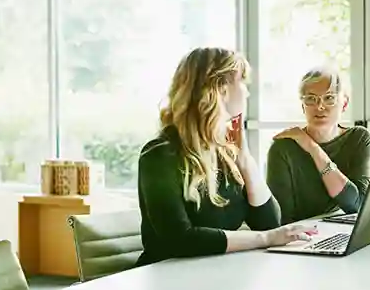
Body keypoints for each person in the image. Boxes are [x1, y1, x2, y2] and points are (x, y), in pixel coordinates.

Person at [136, 47, 317, 266]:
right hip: (168, 282)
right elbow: (180, 239)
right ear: (219, 88)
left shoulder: (225, 152)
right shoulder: (159, 155)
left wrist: (245, 158)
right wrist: (265, 239)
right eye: (242, 82)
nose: (247, 93)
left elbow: (269, 222)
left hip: (214, 275)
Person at [266, 66, 370, 224]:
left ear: (344, 103)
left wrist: (312, 148)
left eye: (329, 98)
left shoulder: (359, 138)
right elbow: (282, 221)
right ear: (303, 105)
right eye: (311, 99)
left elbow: (356, 205)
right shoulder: (282, 149)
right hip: (303, 239)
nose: (320, 106)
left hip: (344, 232)